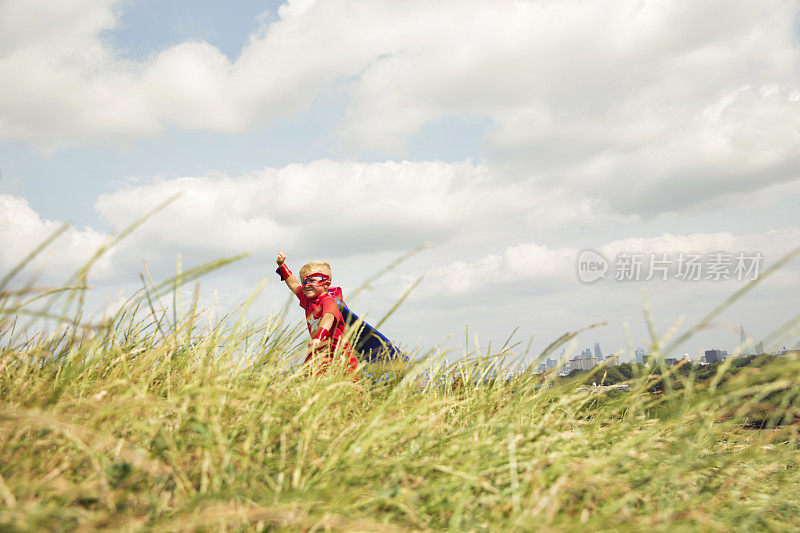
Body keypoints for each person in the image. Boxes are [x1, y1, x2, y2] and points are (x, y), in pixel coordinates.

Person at [275, 252, 359, 376]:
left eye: (312, 280)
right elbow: (293, 284)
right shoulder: (307, 299)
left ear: (326, 284)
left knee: (348, 389)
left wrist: (319, 337)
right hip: (319, 351)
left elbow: (328, 317)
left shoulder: (328, 300)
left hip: (340, 354)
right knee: (304, 380)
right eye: (304, 282)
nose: (307, 285)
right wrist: (282, 265)